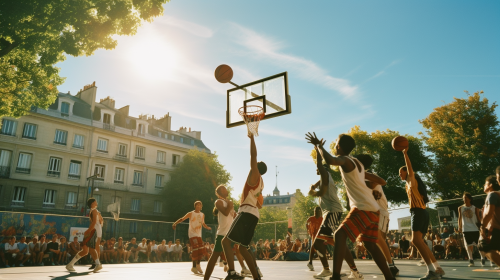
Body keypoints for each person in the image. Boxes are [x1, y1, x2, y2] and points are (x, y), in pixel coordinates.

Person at [306, 132, 394, 280]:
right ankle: (389, 277)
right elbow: (382, 181)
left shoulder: (346, 160)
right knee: (370, 245)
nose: (334, 145)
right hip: (374, 210)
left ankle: (335, 276)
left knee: (339, 234)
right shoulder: (358, 164)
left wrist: (320, 146)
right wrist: (368, 185)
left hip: (362, 207)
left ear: (339, 147)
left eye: (336, 143)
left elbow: (331, 160)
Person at [308, 154, 364, 280]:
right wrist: (314, 186)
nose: (317, 169)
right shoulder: (326, 177)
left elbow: (320, 168)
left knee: (317, 243)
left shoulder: (325, 175)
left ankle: (327, 270)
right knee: (339, 244)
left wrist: (318, 150)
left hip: (332, 212)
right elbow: (321, 183)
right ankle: (354, 271)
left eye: (319, 168)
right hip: (331, 213)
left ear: (323, 168)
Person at [222, 133, 266, 280]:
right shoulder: (261, 184)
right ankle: (256, 277)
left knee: (225, 241)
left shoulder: (255, 174)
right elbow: (260, 204)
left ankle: (232, 273)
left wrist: (252, 138)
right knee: (242, 247)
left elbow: (253, 155)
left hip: (246, 213)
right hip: (253, 215)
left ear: (256, 168)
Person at [399, 148, 444, 280]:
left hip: (418, 212)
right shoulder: (408, 185)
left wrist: (405, 154)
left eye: (400, 173)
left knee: (415, 240)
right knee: (421, 242)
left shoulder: (412, 180)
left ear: (406, 172)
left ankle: (432, 272)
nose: (399, 175)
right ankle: (437, 268)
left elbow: (410, 168)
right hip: (422, 212)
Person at [355, 154, 400, 276]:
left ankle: (391, 265)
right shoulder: (361, 176)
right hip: (374, 211)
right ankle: (390, 264)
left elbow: (374, 184)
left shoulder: (367, 175)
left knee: (379, 238)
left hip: (380, 210)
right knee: (377, 241)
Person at [204, 185, 238, 280]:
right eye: (223, 189)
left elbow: (233, 216)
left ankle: (232, 273)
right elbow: (225, 213)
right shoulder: (218, 201)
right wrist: (230, 205)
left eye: (226, 188)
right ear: (219, 193)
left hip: (230, 233)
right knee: (215, 255)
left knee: (230, 253)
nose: (226, 190)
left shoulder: (229, 202)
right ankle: (206, 278)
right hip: (223, 233)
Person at [172, 201, 212, 274]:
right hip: (192, 234)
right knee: (195, 248)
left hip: (199, 234)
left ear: (201, 206)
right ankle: (194, 267)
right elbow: (182, 219)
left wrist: (207, 227)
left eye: (200, 205)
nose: (198, 206)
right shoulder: (190, 213)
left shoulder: (202, 214)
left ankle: (198, 265)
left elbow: (203, 223)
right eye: (197, 205)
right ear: (195, 206)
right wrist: (175, 223)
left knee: (201, 249)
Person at [66, 198, 103, 272]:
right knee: (86, 251)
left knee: (89, 249)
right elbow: (95, 223)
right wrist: (88, 231)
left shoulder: (95, 211)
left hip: (94, 232)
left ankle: (97, 264)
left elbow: (99, 222)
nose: (97, 202)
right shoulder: (94, 211)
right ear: (92, 203)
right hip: (93, 232)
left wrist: (88, 231)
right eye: (95, 201)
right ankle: (70, 265)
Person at [458, 192, 486, 266]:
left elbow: (478, 218)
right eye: (463, 198)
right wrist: (459, 227)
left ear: (470, 199)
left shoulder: (475, 208)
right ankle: (471, 260)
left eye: (466, 198)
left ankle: (482, 258)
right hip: (466, 229)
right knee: (468, 245)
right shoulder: (460, 208)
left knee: (478, 245)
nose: (464, 199)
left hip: (475, 228)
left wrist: (481, 227)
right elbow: (460, 218)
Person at [478, 173, 500, 267]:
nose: (484, 185)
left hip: (495, 228)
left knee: (484, 247)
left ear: (490, 185)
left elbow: (489, 213)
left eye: (485, 184)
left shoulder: (492, 195)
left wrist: (482, 227)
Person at [306, 207, 323, 271]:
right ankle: (310, 262)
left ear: (320, 212)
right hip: (313, 234)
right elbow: (306, 223)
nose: (316, 212)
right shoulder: (311, 218)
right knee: (314, 247)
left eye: (317, 211)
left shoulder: (321, 218)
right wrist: (308, 229)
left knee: (315, 248)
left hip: (320, 235)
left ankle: (310, 262)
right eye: (315, 211)